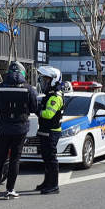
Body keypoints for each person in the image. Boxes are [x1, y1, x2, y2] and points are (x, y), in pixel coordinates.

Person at [0, 62, 38, 199]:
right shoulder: (28, 88)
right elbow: (34, 108)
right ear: (23, 73)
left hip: (3, 128)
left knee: (0, 158)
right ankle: (10, 190)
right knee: (15, 158)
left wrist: (2, 108)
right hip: (20, 129)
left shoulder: (0, 87)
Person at [35, 66, 66, 194]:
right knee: (46, 157)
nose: (44, 83)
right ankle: (47, 182)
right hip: (45, 130)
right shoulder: (49, 95)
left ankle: (54, 185)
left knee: (51, 158)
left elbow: (48, 114)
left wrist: (36, 110)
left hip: (52, 131)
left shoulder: (55, 97)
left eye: (46, 80)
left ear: (53, 81)